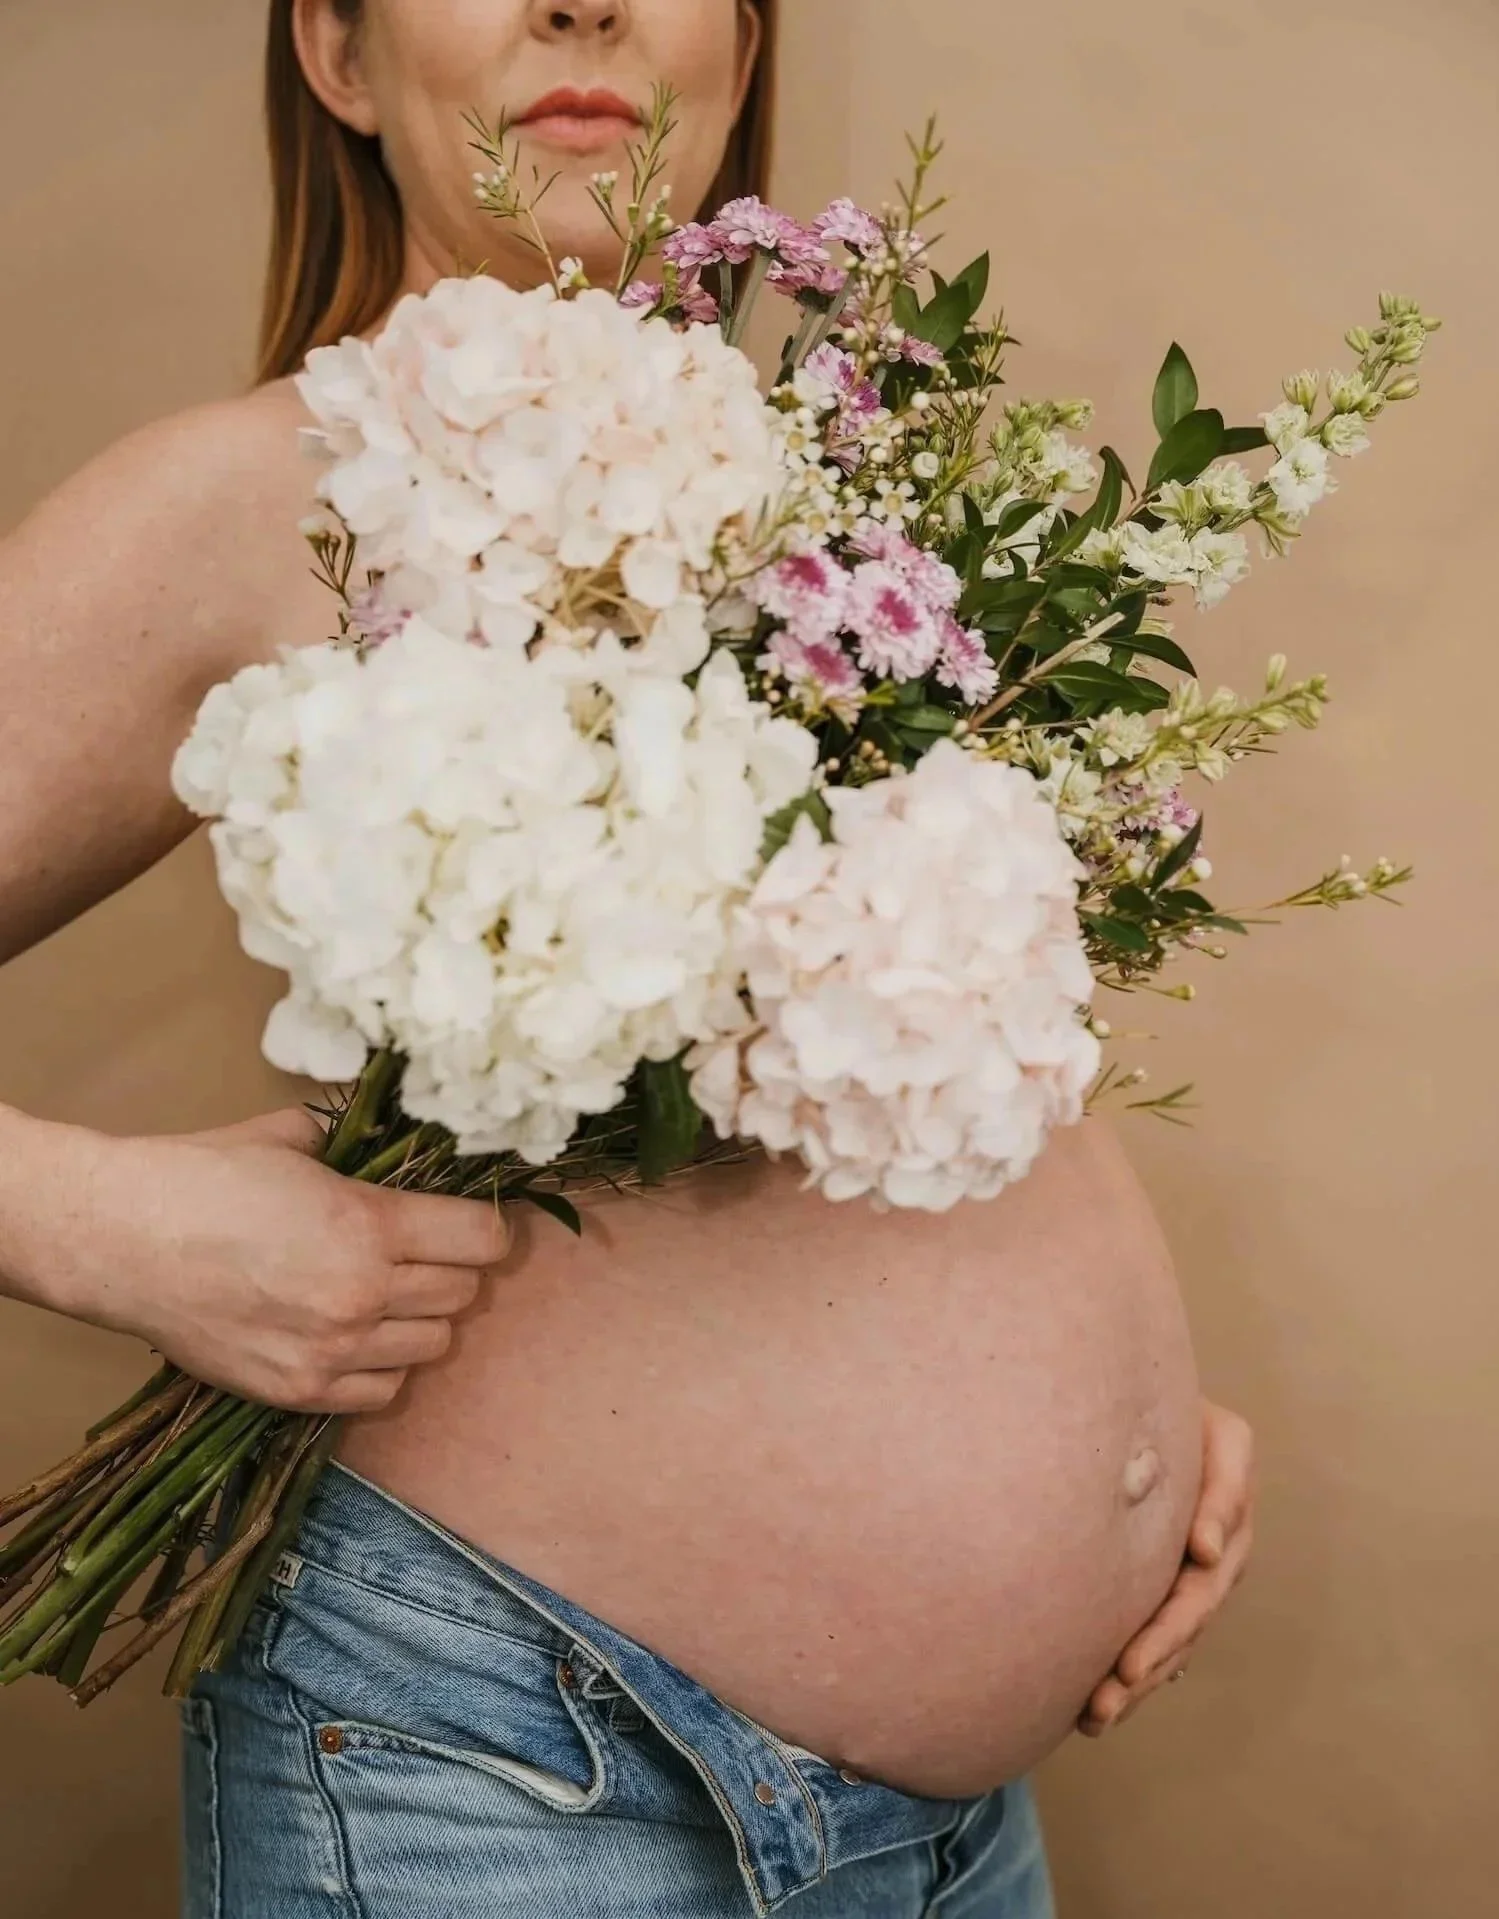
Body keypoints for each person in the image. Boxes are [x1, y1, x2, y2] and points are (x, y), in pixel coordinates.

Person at [0, 4, 1256, 1914]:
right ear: (335, 53)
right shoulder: (250, 499)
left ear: (740, 46)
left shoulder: (835, 472)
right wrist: (101, 1227)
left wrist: (1113, 1429)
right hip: (511, 1786)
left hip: (957, 1837)